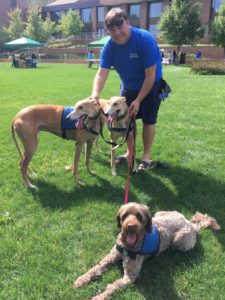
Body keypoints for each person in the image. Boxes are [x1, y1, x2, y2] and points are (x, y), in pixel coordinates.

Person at [90, 8, 163, 170]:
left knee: (149, 120)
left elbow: (150, 76)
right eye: (112, 30)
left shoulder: (145, 40)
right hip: (128, 86)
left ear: (128, 23)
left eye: (120, 27)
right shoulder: (109, 47)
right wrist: (95, 94)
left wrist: (138, 100)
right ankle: (131, 153)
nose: (117, 33)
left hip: (151, 85)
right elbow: (101, 73)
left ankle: (146, 157)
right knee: (128, 121)